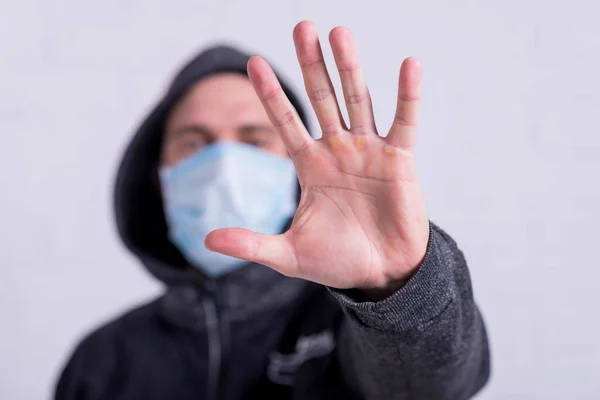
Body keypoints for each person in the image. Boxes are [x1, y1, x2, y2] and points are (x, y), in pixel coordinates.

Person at [55, 21, 490, 400]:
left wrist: (397, 291)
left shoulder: (346, 326)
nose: (223, 165)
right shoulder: (102, 361)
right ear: (157, 174)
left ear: (293, 168)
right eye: (194, 141)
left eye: (253, 139)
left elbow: (431, 389)